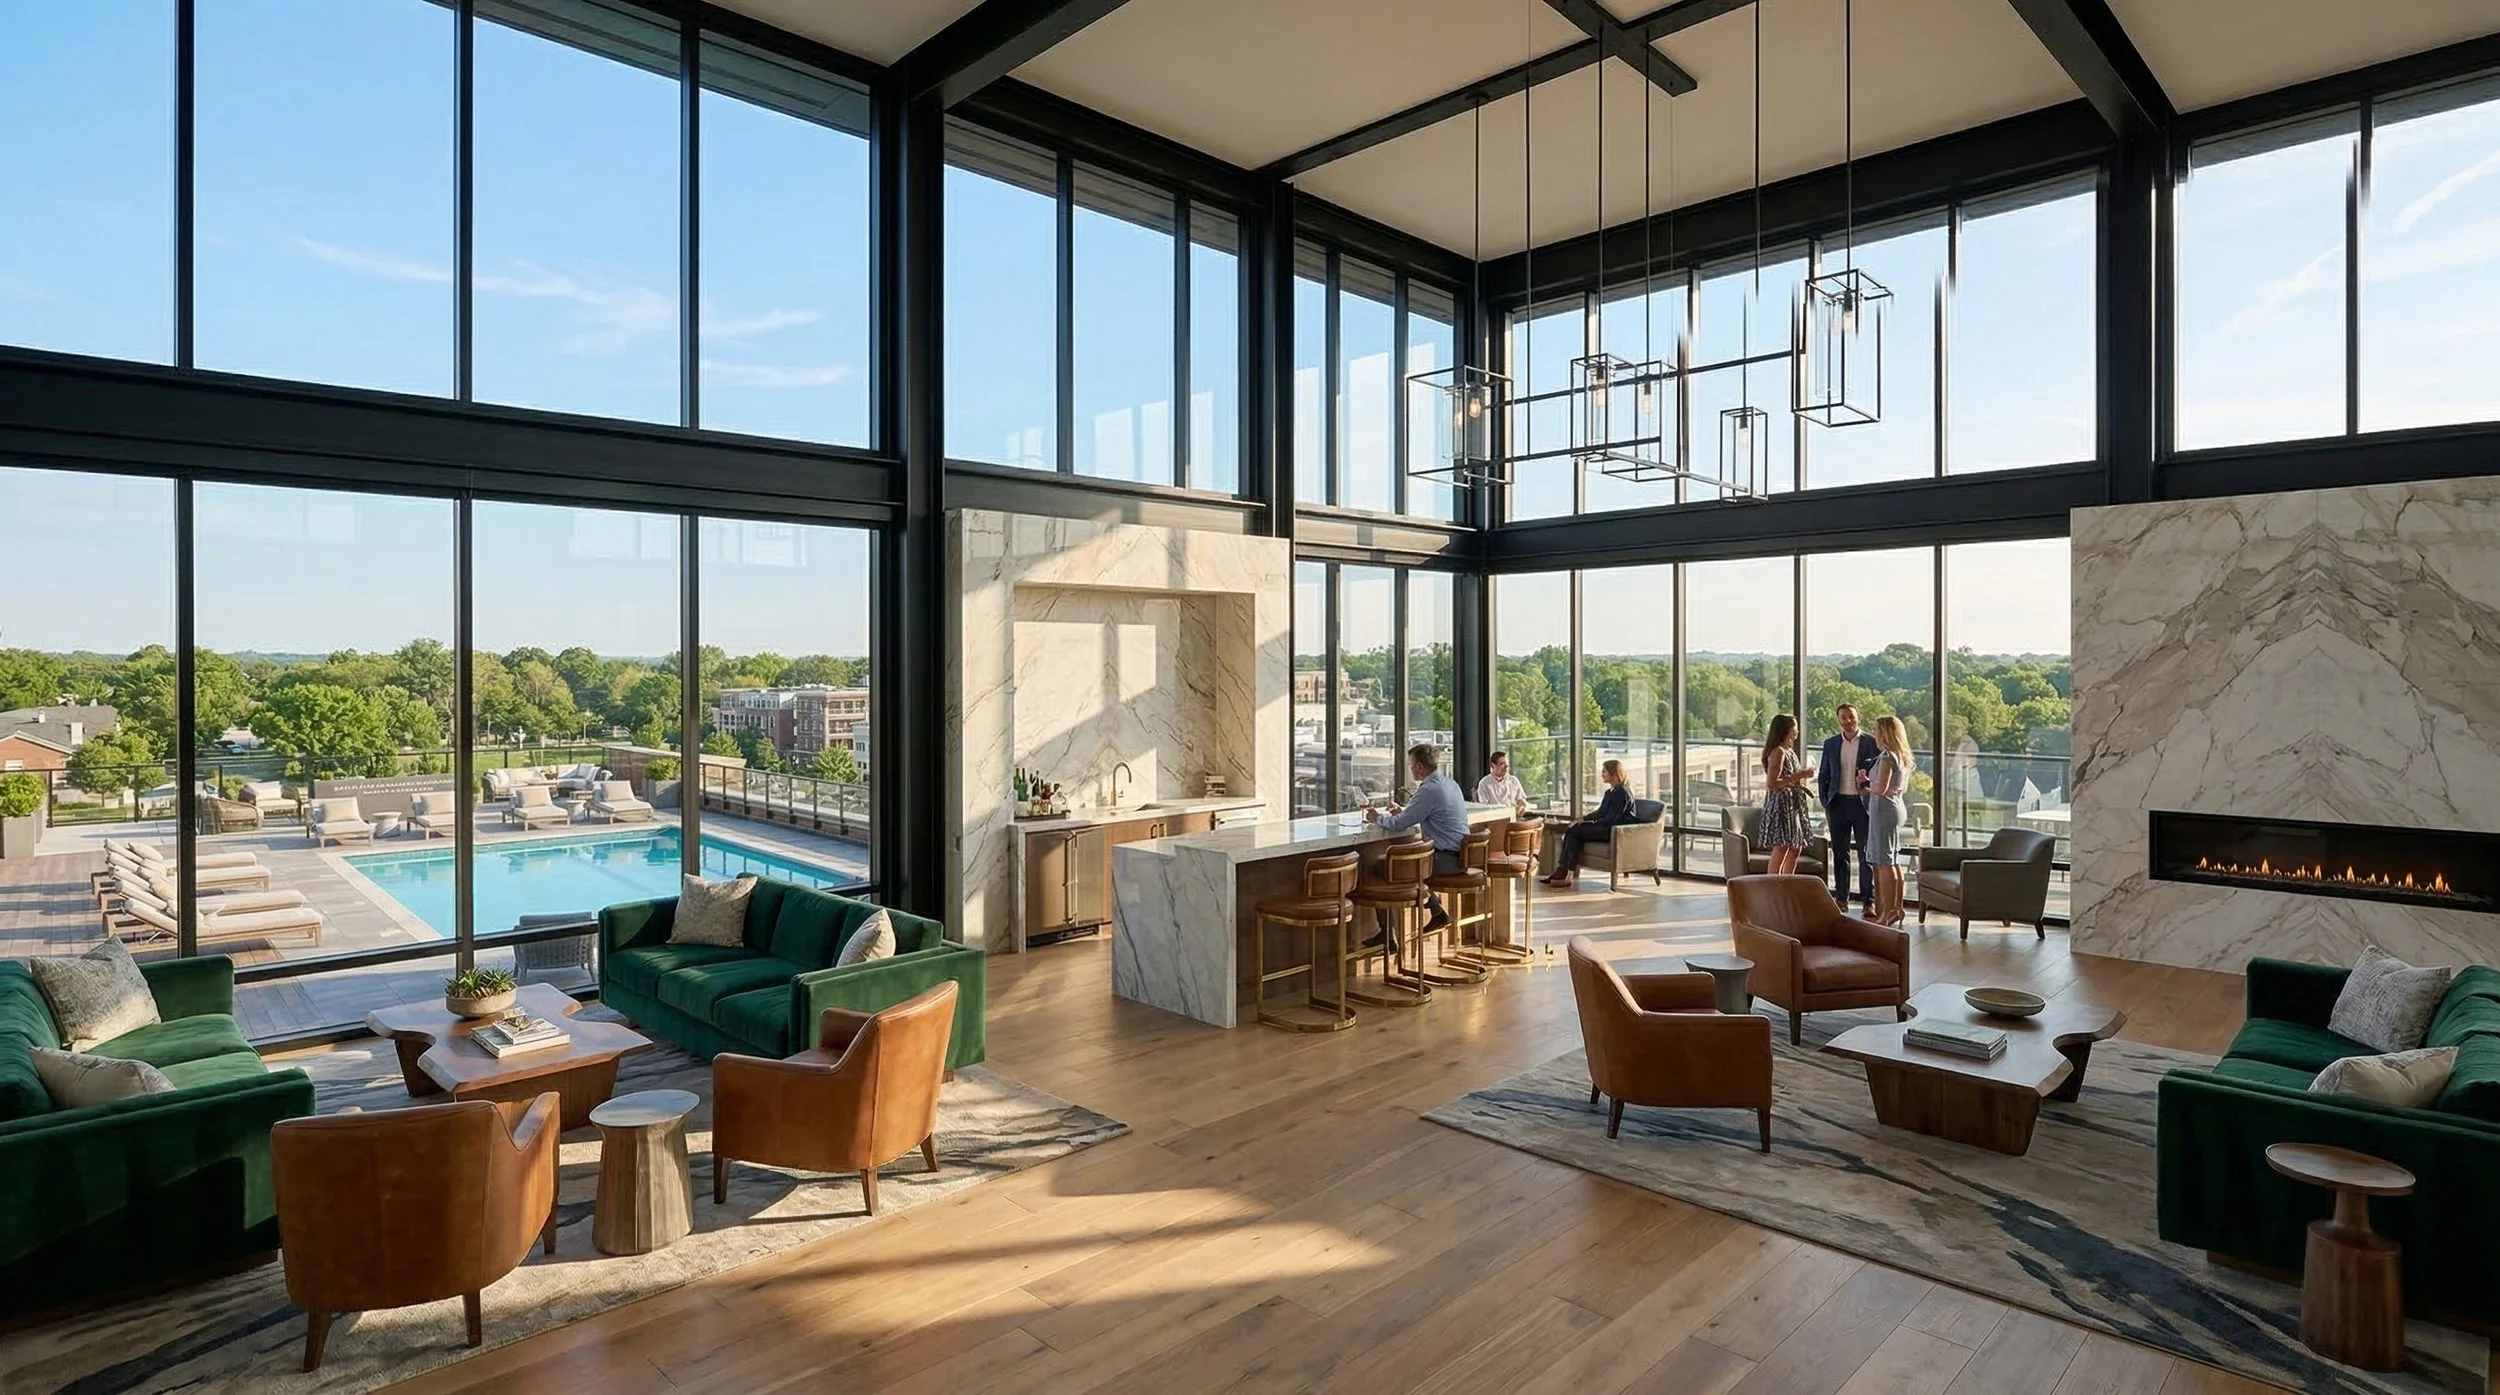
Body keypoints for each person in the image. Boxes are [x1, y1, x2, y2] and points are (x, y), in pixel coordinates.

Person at [1366, 743, 1469, 949]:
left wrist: (1376, 817)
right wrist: (1404, 810)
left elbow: (1399, 825)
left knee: (1381, 869)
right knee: (1406, 868)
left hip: (1446, 859)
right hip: (1461, 857)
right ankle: (1437, 912)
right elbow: (1426, 812)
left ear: (1420, 767)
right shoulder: (1449, 783)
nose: (1410, 769)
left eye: (1411, 766)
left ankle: (1388, 935)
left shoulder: (1429, 789)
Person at [1816, 704, 1878, 912]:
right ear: (1838, 720)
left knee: (1865, 854)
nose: (1848, 721)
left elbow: (1878, 772)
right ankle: (1841, 898)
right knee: (1840, 853)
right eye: (1843, 718)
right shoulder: (1831, 744)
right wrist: (1826, 801)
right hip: (1838, 803)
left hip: (1863, 805)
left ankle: (1868, 900)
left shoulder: (1871, 743)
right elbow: (1823, 774)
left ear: (1858, 717)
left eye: (1851, 716)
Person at [1543, 758, 1634, 888]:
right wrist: (1583, 819)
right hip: (1604, 826)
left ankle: (1565, 873)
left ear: (1613, 774)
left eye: (1604, 771)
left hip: (1613, 831)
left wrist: (1591, 824)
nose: (1602, 774)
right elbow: (1601, 812)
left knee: (1573, 830)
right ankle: (1564, 873)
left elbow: (1612, 819)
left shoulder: (1622, 793)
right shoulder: (1610, 792)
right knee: (1572, 830)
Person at [1865, 715, 1914, 926]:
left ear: (1884, 733)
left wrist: (1865, 783)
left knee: (1884, 862)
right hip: (1895, 808)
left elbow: (1880, 788)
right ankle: (1897, 909)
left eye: (1876, 729)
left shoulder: (1886, 758)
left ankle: (1886, 914)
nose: (1874, 733)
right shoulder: (1900, 756)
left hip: (1884, 810)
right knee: (1893, 860)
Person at [1757, 714, 1812, 876]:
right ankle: (1774, 884)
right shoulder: (1778, 752)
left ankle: (1787, 881)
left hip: (1792, 805)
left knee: (1795, 846)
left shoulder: (1789, 750)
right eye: (1795, 727)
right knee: (1782, 846)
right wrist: (1799, 775)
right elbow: (1772, 783)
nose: (1797, 731)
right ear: (1786, 730)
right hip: (1781, 804)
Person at [1475, 751, 1528, 815]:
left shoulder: (1513, 780)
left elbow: (1521, 800)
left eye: (1507, 765)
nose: (1506, 767)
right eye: (1502, 764)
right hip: (1494, 818)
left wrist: (1521, 806)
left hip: (1513, 817)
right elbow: (1484, 807)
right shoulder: (1484, 783)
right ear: (1492, 765)